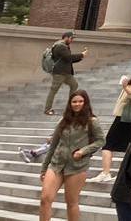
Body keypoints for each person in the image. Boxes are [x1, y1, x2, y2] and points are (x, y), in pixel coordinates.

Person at [38, 90, 102, 221]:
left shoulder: (92, 121)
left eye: (80, 101)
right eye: (74, 101)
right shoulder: (63, 120)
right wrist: (44, 168)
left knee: (71, 203)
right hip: (56, 164)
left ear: (85, 103)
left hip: (77, 167)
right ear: (70, 103)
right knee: (45, 199)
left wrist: (83, 151)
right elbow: (53, 144)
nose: (77, 104)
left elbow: (101, 141)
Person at [90, 54, 131, 183]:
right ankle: (129, 172)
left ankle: (106, 172)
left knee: (109, 143)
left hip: (126, 116)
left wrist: (125, 87)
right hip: (130, 116)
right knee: (130, 144)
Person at [44, 31, 87, 116]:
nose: (72, 40)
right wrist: (81, 55)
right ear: (66, 37)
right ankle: (47, 109)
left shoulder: (64, 46)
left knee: (74, 85)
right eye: (71, 38)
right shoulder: (60, 46)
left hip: (66, 73)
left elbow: (69, 60)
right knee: (53, 90)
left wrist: (81, 57)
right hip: (59, 73)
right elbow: (68, 57)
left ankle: (71, 108)